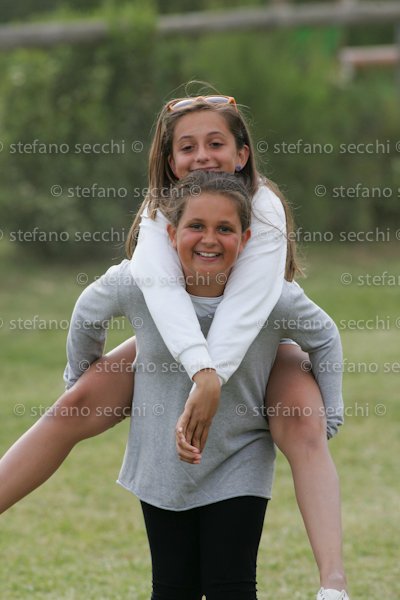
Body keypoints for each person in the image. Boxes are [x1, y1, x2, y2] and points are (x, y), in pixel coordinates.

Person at [0, 91, 348, 600]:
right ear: (169, 162)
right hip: (165, 362)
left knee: (303, 421)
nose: (202, 156)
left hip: (258, 359)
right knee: (74, 405)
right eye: (187, 147)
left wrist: (329, 412)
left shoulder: (266, 229)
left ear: (242, 154)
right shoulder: (151, 240)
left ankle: (333, 585)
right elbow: (95, 307)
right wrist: (83, 375)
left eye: (215, 143)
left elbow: (309, 328)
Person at [65, 170, 345, 600]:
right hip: (162, 463)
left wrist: (332, 413)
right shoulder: (140, 282)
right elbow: (87, 312)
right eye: (196, 226)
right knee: (172, 588)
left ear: (246, 239)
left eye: (225, 229)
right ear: (171, 233)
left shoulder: (273, 296)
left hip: (239, 460)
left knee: (231, 587)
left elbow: (324, 336)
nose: (210, 240)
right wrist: (77, 376)